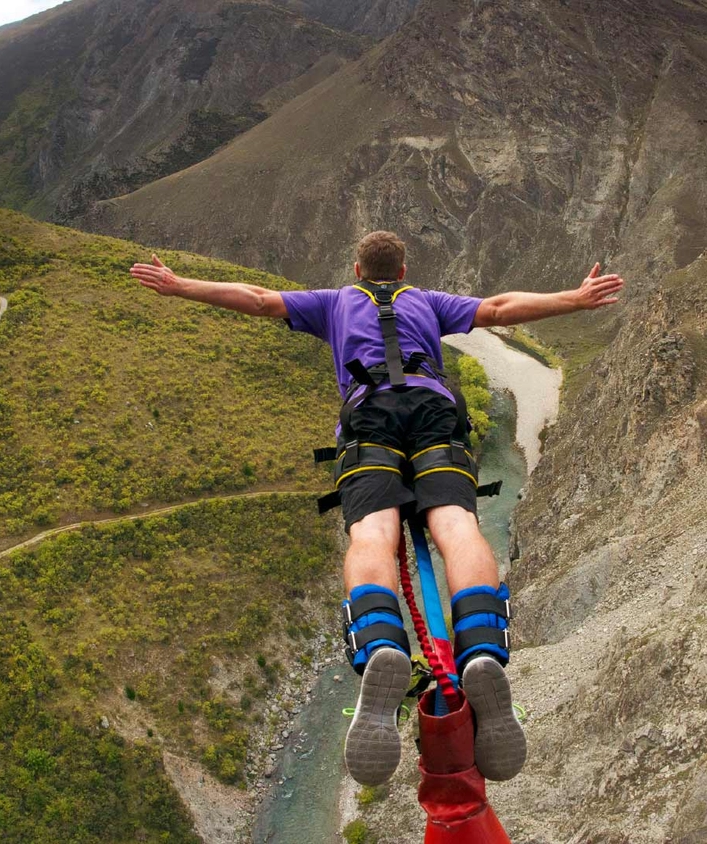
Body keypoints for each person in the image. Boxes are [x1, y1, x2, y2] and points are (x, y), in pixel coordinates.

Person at [130, 232, 622, 786]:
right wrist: (574, 299)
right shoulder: (428, 301)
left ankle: (383, 643)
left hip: (370, 424)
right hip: (435, 413)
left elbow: (257, 297)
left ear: (358, 269)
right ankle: (481, 645)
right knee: (456, 526)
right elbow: (502, 307)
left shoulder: (336, 302)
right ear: (404, 269)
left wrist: (180, 287)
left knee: (373, 532)